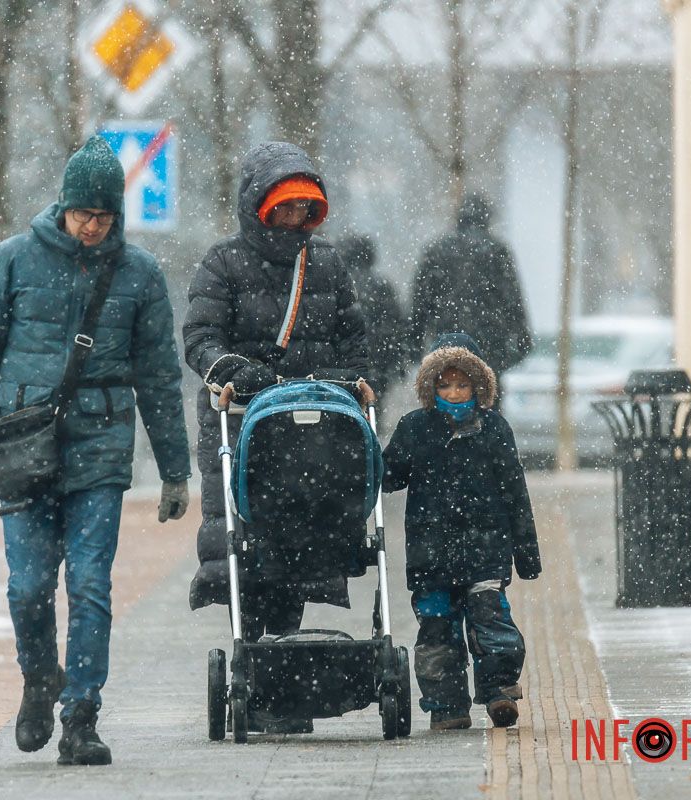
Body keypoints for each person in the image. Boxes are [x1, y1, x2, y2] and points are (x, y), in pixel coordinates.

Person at [0, 136, 192, 766]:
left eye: (103, 217)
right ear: (63, 206)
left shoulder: (140, 275)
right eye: (83, 214)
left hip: (101, 450)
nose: (91, 227)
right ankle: (39, 680)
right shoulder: (12, 261)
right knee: (26, 588)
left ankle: (81, 716)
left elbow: (159, 376)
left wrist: (175, 470)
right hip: (24, 447)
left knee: (89, 584)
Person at [182, 141, 369, 728]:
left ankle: (285, 669)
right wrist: (238, 372)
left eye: (302, 209)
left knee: (303, 539)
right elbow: (200, 339)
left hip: (314, 426)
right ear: (257, 206)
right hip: (241, 424)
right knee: (247, 544)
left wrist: (350, 377)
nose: (292, 220)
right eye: (282, 208)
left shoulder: (329, 265)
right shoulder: (223, 264)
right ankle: (256, 659)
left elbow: (354, 339)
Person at [381, 332, 542, 730]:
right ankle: (446, 704)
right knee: (437, 628)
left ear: (479, 385)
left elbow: (514, 492)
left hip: (485, 548)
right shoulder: (415, 428)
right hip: (430, 552)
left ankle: (500, 689)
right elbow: (388, 476)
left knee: (491, 619)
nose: (454, 393)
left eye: (462, 383)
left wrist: (527, 553)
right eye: (445, 384)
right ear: (431, 386)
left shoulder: (493, 429)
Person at [409, 193, 533, 401]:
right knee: (487, 401)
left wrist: (415, 341)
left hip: (446, 340)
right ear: (487, 218)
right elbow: (512, 300)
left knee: (445, 396)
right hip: (490, 342)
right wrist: (521, 340)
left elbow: (421, 302)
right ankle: (486, 430)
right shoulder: (497, 251)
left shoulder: (436, 250)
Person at [335, 234, 407, 406]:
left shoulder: (336, 284)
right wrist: (398, 360)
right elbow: (395, 325)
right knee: (374, 407)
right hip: (378, 361)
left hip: (344, 363)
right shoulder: (381, 285)